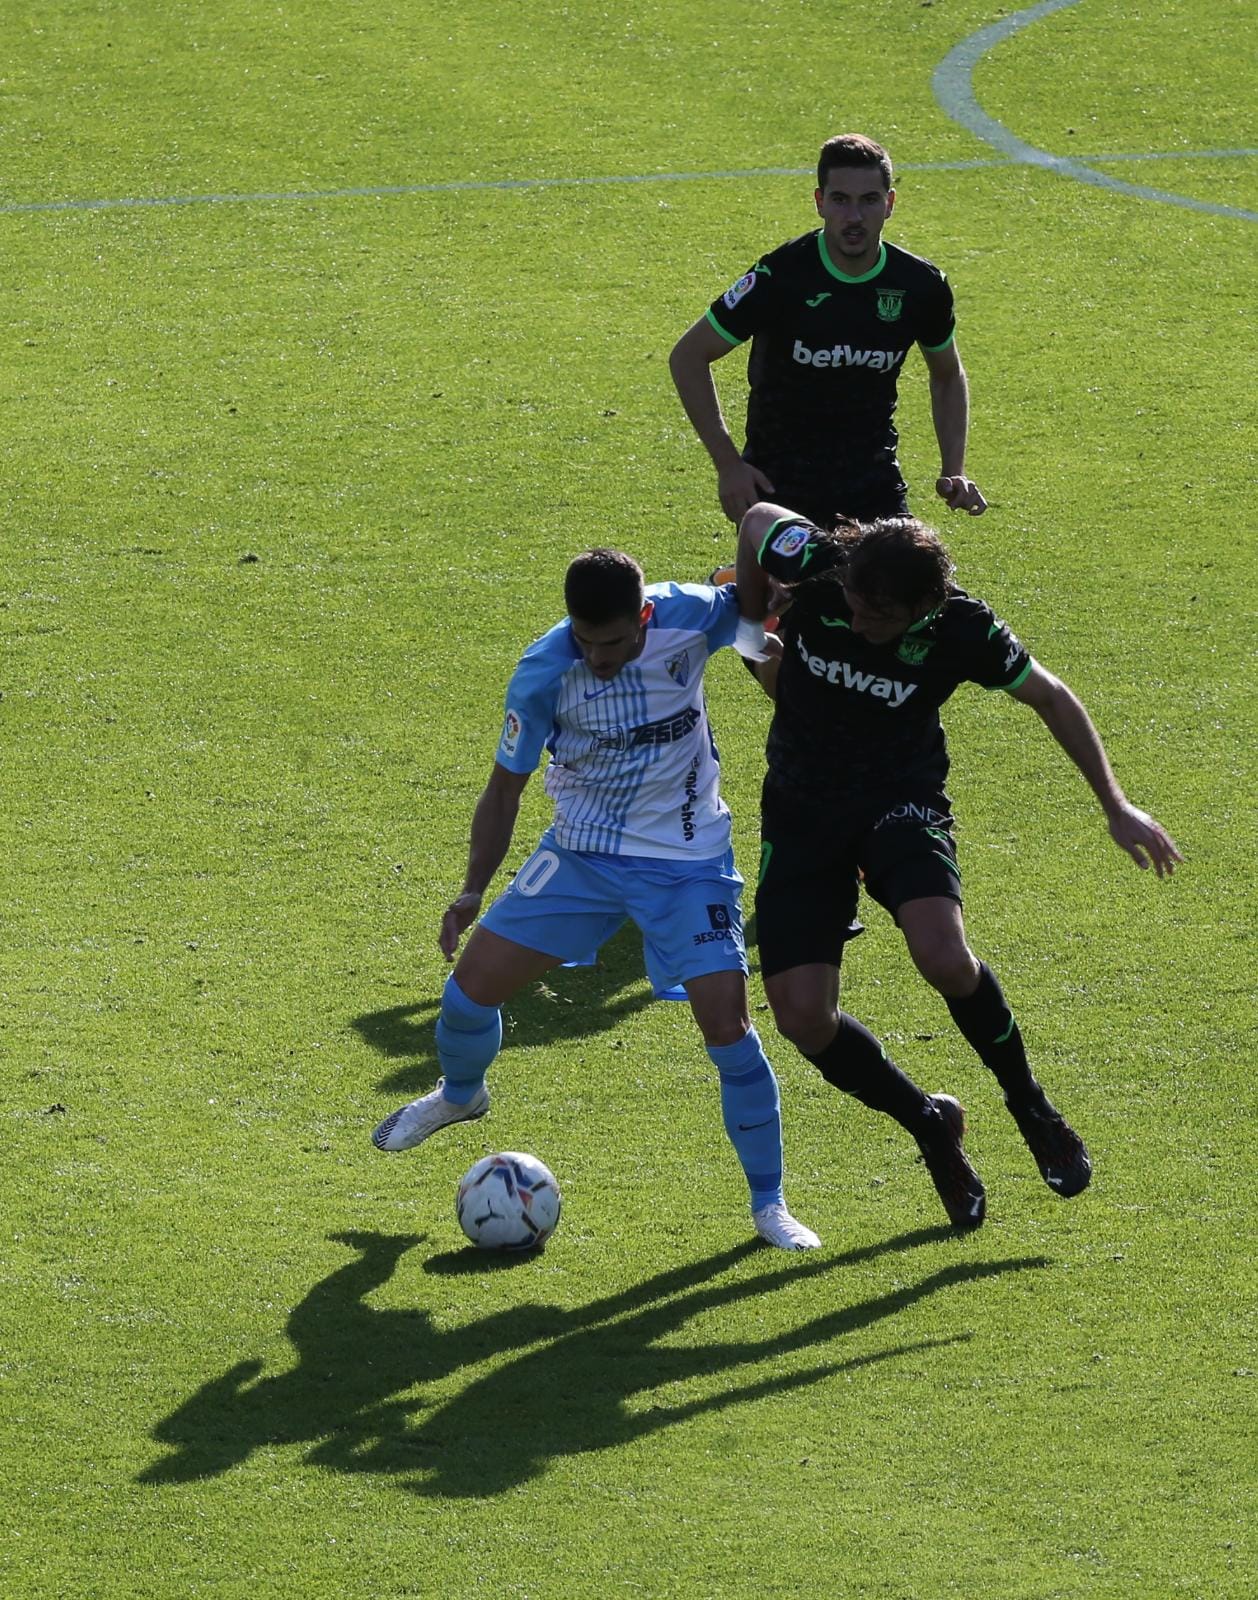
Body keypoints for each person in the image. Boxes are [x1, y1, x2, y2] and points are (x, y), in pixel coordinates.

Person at [372, 549, 837, 1250]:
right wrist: (471, 889)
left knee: (730, 1034)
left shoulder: (690, 614)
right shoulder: (543, 672)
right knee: (467, 994)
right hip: (583, 856)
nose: (598, 658)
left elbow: (751, 595)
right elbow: (505, 791)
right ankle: (461, 1096)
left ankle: (769, 1205)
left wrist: (763, 606)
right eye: (585, 641)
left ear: (643, 617)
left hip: (688, 862)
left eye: (614, 643)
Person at [731, 503, 1182, 1222]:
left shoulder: (964, 629)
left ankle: (1031, 1107)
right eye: (852, 606)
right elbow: (755, 519)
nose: (859, 624)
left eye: (878, 618)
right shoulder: (822, 565)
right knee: (801, 1017)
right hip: (802, 809)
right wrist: (752, 629)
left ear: (924, 605)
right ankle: (929, 1124)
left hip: (898, 800)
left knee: (942, 954)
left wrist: (1116, 804)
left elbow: (1051, 696)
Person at [669, 132, 987, 530]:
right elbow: (688, 356)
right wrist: (729, 465)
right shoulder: (780, 276)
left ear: (889, 204)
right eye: (840, 200)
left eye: (869, 200)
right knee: (801, 594)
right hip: (780, 487)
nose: (854, 217)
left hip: (874, 483)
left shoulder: (921, 286)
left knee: (915, 589)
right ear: (820, 202)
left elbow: (947, 375)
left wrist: (953, 468)